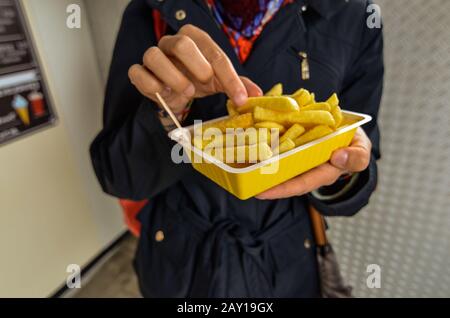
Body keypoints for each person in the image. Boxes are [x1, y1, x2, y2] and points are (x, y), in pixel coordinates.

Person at [90, 0, 383, 297]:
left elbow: (360, 162)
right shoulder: (151, 10)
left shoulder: (355, 15)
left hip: (287, 263)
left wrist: (343, 169)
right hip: (179, 262)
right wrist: (167, 111)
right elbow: (118, 176)